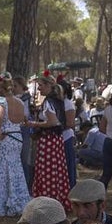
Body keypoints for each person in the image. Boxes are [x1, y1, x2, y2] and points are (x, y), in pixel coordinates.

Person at [0, 77, 30, 217]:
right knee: (16, 166)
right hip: (17, 136)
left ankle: (1, 202)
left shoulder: (2, 101)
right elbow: (23, 118)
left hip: (6, 136)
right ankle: (17, 200)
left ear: (1, 88)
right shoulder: (20, 101)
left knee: (2, 167)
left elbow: (0, 117)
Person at [29, 74, 71, 210]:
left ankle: (48, 201)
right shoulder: (58, 100)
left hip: (49, 141)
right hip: (56, 140)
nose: (39, 88)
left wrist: (34, 124)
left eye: (41, 85)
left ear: (48, 86)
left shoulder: (48, 102)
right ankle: (57, 199)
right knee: (57, 171)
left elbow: (53, 122)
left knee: (48, 171)